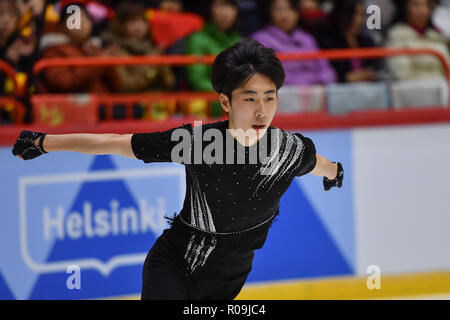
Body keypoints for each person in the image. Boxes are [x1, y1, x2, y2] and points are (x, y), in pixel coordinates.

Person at [12, 38, 344, 300]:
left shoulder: (289, 149)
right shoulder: (198, 142)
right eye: (250, 99)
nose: (261, 111)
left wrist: (335, 175)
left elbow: (321, 165)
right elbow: (115, 142)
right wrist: (45, 142)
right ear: (225, 102)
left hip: (228, 281)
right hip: (175, 264)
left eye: (269, 98)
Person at [251, 0, 336, 85]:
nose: (284, 15)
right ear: (269, 12)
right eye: (278, 9)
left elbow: (326, 70)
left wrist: (321, 81)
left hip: (314, 92)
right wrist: (307, 83)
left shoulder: (307, 38)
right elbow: (269, 75)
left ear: (297, 13)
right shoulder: (259, 39)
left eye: (290, 9)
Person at [185, 0, 241, 117]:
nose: (226, 12)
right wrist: (229, 92)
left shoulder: (240, 40)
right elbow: (197, 79)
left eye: (230, 6)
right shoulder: (197, 39)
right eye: (220, 6)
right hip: (206, 109)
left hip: (237, 107)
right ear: (210, 9)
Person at [317, 0, 381, 83]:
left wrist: (370, 74)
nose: (359, 20)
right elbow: (325, 74)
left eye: (362, 15)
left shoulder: (367, 41)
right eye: (354, 14)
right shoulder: (326, 42)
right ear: (341, 14)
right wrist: (345, 78)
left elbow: (376, 69)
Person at [386, 0, 450, 80]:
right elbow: (402, 74)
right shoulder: (396, 36)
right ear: (405, 8)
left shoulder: (437, 36)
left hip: (442, 88)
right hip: (413, 89)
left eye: (426, 5)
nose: (422, 10)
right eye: (416, 5)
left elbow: (447, 68)